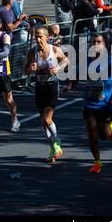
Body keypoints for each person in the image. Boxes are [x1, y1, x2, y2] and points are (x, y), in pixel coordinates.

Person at [63, 34, 112, 173]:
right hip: (89, 104)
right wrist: (70, 86)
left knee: (104, 136)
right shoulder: (86, 61)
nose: (95, 44)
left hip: (105, 104)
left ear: (105, 44)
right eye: (93, 42)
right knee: (91, 133)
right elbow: (76, 75)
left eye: (99, 42)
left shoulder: (109, 61)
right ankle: (97, 161)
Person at [23, 26, 69, 163]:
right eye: (36, 36)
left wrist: (58, 68)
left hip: (52, 87)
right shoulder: (32, 52)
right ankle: (53, 147)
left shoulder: (54, 50)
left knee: (47, 118)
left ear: (47, 37)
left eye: (40, 37)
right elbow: (23, 71)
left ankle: (57, 141)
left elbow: (66, 60)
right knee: (43, 122)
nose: (37, 39)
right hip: (39, 87)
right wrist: (30, 69)